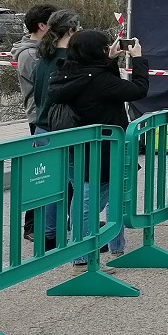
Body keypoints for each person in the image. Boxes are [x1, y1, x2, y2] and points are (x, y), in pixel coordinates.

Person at [48, 31, 149, 262]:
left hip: (75, 147)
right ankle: (90, 257)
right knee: (100, 201)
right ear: (96, 52)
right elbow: (138, 91)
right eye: (105, 48)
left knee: (82, 200)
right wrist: (139, 59)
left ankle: (92, 252)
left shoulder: (64, 72)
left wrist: (110, 60)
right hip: (105, 151)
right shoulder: (98, 80)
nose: (108, 50)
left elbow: (106, 85)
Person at [12, 4, 58, 134]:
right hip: (40, 118)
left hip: (51, 115)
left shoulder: (45, 49)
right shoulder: (30, 55)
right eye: (55, 25)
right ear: (42, 26)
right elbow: (49, 84)